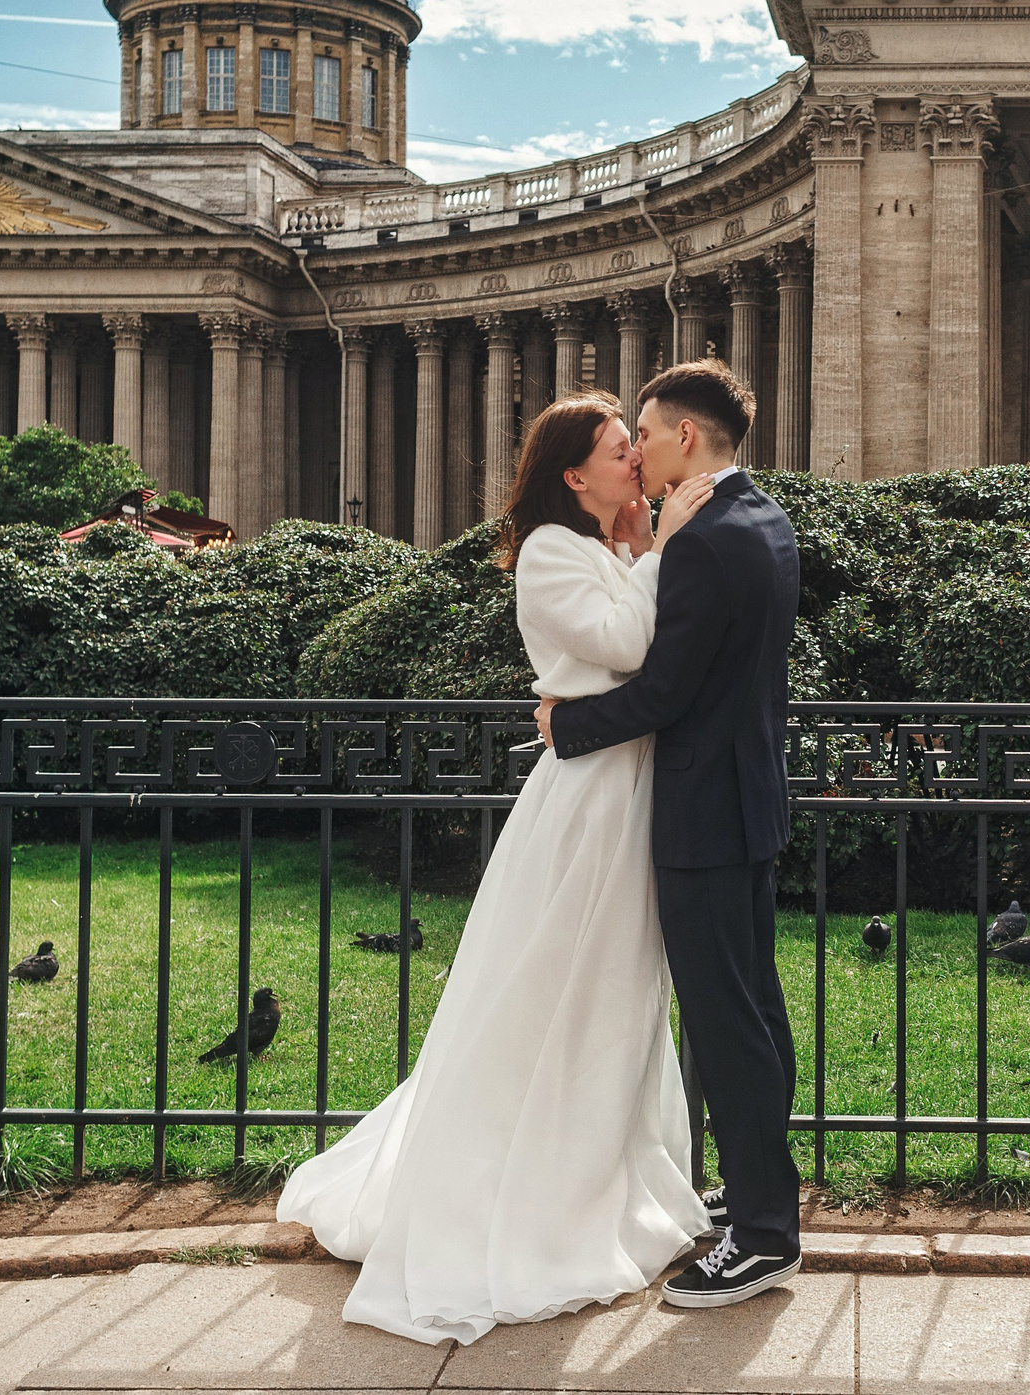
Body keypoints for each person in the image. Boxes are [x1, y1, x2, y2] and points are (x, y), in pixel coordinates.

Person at [277, 392, 718, 1346]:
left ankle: (599, 1179)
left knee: (614, 994)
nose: (634, 461)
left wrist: (643, 546)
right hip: (589, 806)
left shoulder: (607, 547)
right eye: (617, 449)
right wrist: (665, 545)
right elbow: (628, 647)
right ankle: (531, 1198)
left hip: (620, 789)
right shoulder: (555, 551)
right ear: (575, 475)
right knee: (557, 991)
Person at [536, 358, 804, 1310]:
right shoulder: (764, 518)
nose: (637, 448)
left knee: (728, 1022)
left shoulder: (701, 542)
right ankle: (761, 1196)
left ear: (686, 437)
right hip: (748, 801)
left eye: (644, 433)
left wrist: (567, 726)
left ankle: (765, 1234)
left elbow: (664, 692)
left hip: (702, 812)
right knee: (754, 1010)